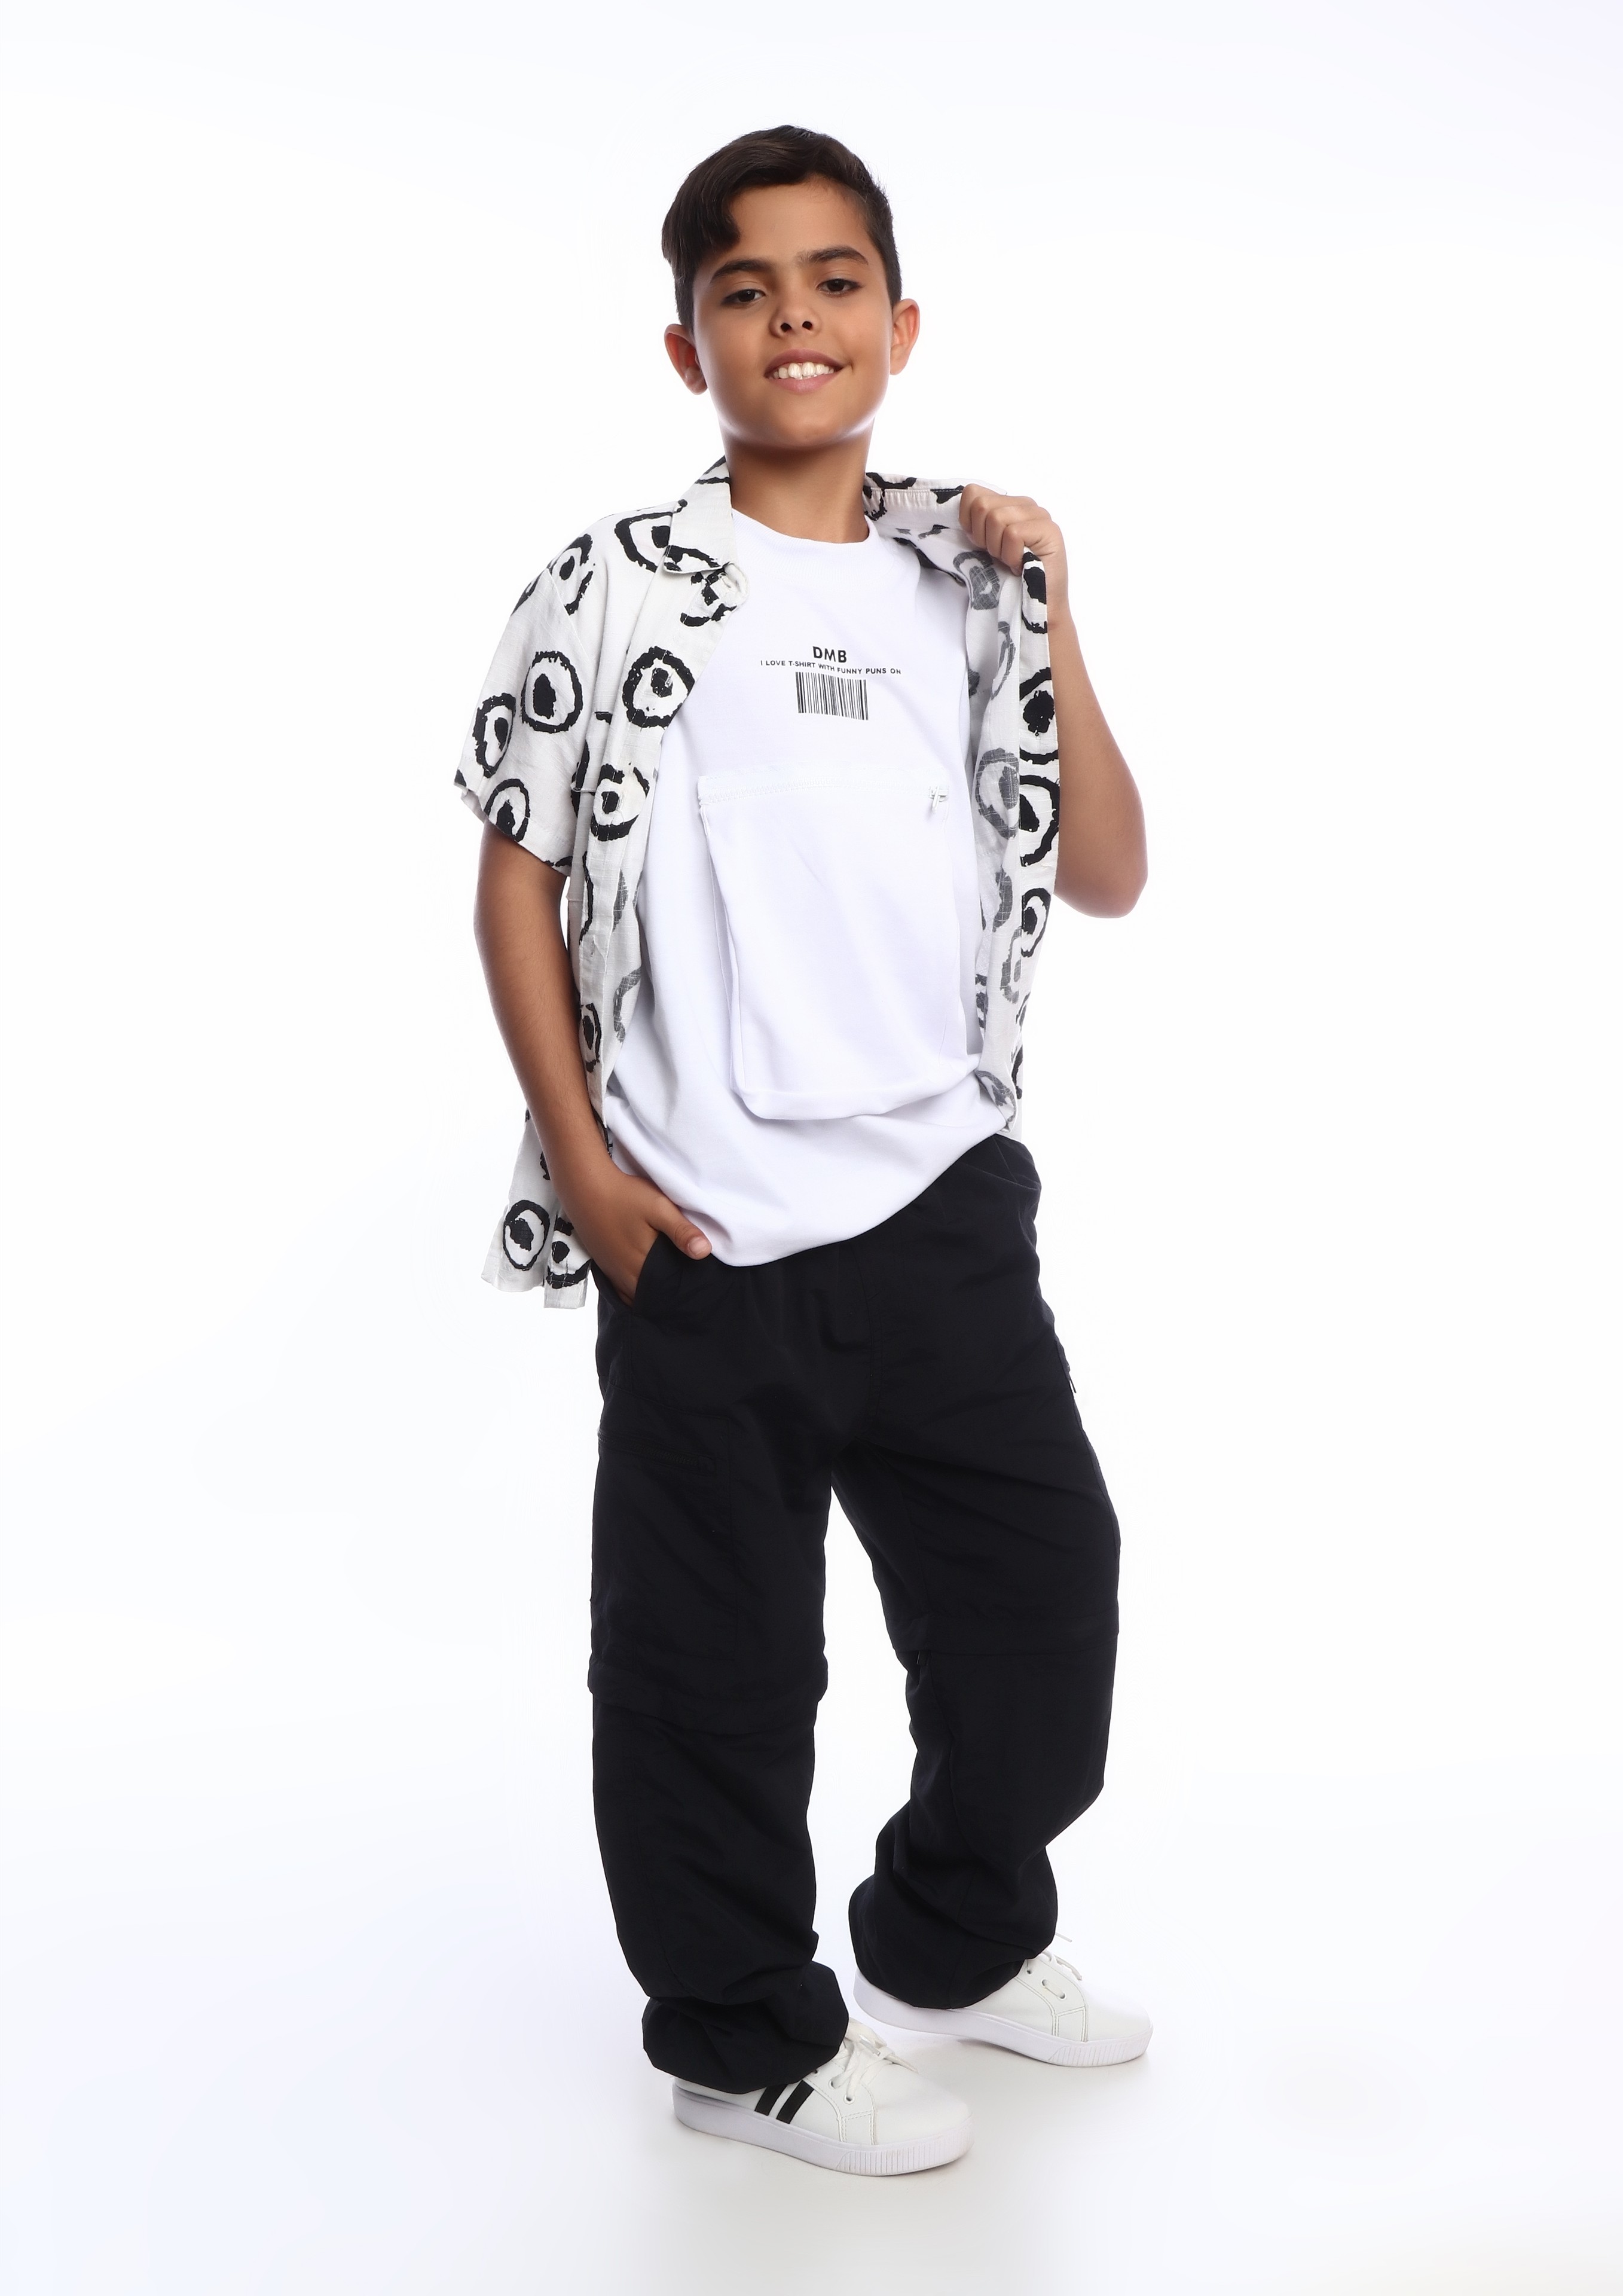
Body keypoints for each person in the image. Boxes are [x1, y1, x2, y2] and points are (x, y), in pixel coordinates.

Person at [460, 126, 1150, 2177]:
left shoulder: (969, 587)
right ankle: (743, 2039)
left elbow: (1108, 872)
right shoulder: (614, 586)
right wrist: (587, 1176)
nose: (793, 318)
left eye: (834, 281)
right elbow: (516, 882)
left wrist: (1055, 602)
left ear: (899, 326)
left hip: (941, 1210)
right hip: (702, 1232)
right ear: (688, 349)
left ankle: (949, 1938)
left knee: (1044, 1606)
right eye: (743, 289)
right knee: (713, 1678)